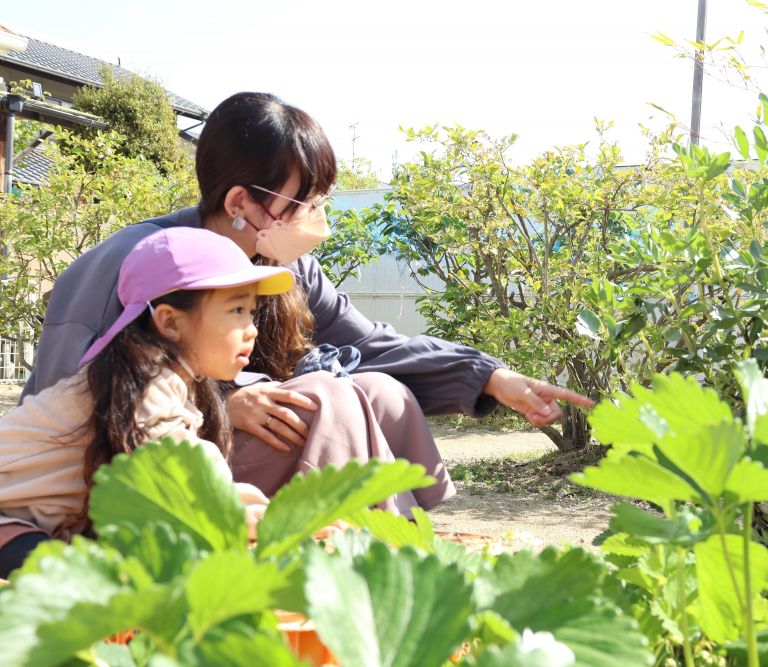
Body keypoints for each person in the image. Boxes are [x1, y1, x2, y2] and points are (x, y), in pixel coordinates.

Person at [16, 92, 595, 532]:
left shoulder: (279, 264)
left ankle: (392, 541)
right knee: (334, 399)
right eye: (304, 202)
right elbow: (77, 403)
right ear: (240, 201)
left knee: (382, 393)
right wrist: (222, 403)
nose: (317, 217)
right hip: (118, 473)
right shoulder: (134, 262)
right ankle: (350, 556)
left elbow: (368, 342)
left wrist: (490, 376)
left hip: (205, 445)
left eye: (322, 200)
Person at [0, 228, 307, 578]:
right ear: (170, 322)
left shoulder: (177, 382)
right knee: (81, 580)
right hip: (9, 522)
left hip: (37, 524)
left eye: (251, 311)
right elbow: (180, 475)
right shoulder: (142, 385)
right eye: (236, 309)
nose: (251, 328)